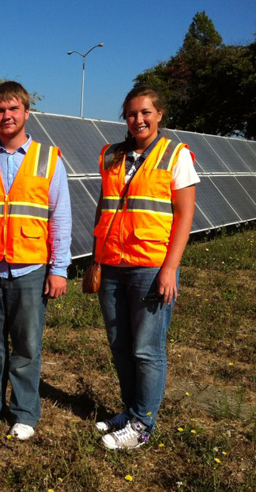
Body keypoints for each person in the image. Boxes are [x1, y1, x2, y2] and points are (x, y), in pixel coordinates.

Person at [0, 81, 72, 440]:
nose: (6, 116)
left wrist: (58, 269)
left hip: (29, 268)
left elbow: (60, 217)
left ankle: (24, 412)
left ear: (26, 112)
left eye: (13, 109)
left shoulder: (47, 158)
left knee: (26, 346)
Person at [93, 86, 199, 449]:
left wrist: (170, 268)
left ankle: (142, 425)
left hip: (151, 266)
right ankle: (130, 410)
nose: (138, 119)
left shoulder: (176, 155)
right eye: (132, 113)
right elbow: (104, 207)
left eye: (145, 112)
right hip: (112, 264)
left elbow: (185, 217)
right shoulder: (111, 155)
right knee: (120, 345)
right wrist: (96, 256)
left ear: (159, 114)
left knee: (147, 349)